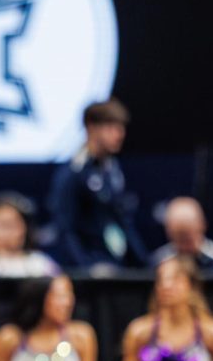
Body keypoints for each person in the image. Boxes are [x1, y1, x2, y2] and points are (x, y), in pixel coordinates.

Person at [47, 99, 147, 271]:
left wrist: (144, 264)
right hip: (89, 269)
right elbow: (65, 229)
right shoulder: (73, 172)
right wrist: (85, 270)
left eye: (121, 128)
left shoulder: (113, 171)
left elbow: (123, 222)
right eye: (111, 128)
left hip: (116, 265)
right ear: (91, 128)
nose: (120, 134)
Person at [150, 197, 213, 270]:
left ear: (202, 227)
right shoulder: (160, 262)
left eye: (188, 239)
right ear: (169, 232)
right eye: (179, 239)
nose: (184, 247)